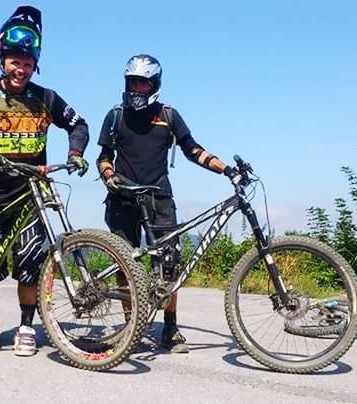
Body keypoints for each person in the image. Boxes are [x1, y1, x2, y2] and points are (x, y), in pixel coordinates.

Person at [0, 5, 89, 356]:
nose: (21, 69)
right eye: (15, 61)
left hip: (31, 195)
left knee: (30, 265)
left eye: (27, 63)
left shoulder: (46, 98)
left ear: (35, 64)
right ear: (2, 58)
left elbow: (78, 124)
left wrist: (74, 153)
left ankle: (27, 327)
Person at [95, 54, 237, 353]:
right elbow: (104, 156)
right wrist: (109, 176)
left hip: (159, 197)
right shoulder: (115, 115)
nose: (137, 87)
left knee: (169, 264)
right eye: (133, 81)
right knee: (125, 263)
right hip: (123, 197)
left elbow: (192, 149)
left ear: (154, 84)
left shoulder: (169, 116)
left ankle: (170, 329)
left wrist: (225, 169)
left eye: (142, 82)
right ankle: (130, 328)